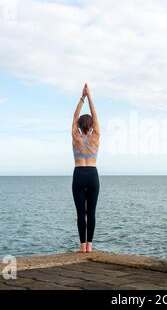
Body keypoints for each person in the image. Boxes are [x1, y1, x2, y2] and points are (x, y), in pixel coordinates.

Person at [71, 83, 100, 253]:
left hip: (79, 174)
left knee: (81, 213)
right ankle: (90, 246)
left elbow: (74, 117)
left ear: (79, 126)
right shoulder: (96, 136)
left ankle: (82, 247)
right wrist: (90, 97)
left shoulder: (76, 137)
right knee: (92, 212)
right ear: (92, 126)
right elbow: (95, 116)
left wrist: (82, 97)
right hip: (93, 174)